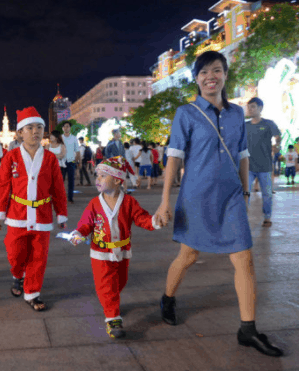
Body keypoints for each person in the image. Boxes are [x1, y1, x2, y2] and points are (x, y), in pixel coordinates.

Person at [155, 51, 283, 357]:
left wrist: (244, 191)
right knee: (188, 255)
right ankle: (168, 298)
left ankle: (248, 330)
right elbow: (174, 157)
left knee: (244, 258)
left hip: (230, 197)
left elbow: (241, 154)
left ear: (225, 75)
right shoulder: (186, 113)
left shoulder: (237, 114)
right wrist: (164, 202)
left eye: (216, 70)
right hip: (196, 196)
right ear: (197, 79)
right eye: (203, 72)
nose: (210, 76)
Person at [69, 156, 160, 338]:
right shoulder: (94, 203)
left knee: (120, 281)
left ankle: (111, 302)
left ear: (117, 180)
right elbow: (86, 223)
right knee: (107, 285)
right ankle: (113, 319)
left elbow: (141, 218)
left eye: (103, 176)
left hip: (123, 252)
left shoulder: (129, 202)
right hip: (100, 253)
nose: (98, 180)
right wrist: (79, 233)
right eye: (98, 176)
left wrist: (155, 221)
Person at [0, 106, 68, 311]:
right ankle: (17, 274)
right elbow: (2, 185)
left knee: (39, 256)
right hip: (17, 214)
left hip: (42, 216)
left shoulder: (51, 158)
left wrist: (61, 213)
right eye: (30, 127)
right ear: (20, 133)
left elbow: (58, 188)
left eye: (39, 127)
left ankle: (32, 292)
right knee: (15, 253)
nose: (35, 131)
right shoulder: (11, 157)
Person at [245, 97, 281, 227]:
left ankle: (267, 217)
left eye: (253, 107)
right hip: (247, 167)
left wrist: (277, 145)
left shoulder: (268, 123)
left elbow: (277, 136)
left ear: (260, 108)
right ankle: (243, 218)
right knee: (245, 193)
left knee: (267, 194)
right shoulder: (245, 125)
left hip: (265, 166)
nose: (250, 109)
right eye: (249, 107)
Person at [61, 121, 81, 203]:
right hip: (61, 163)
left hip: (71, 162)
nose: (66, 128)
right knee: (60, 181)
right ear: (63, 128)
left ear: (70, 128)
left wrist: (77, 162)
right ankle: (60, 198)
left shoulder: (74, 138)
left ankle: (70, 198)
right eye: (65, 126)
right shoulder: (60, 138)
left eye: (68, 126)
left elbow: (77, 151)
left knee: (71, 181)